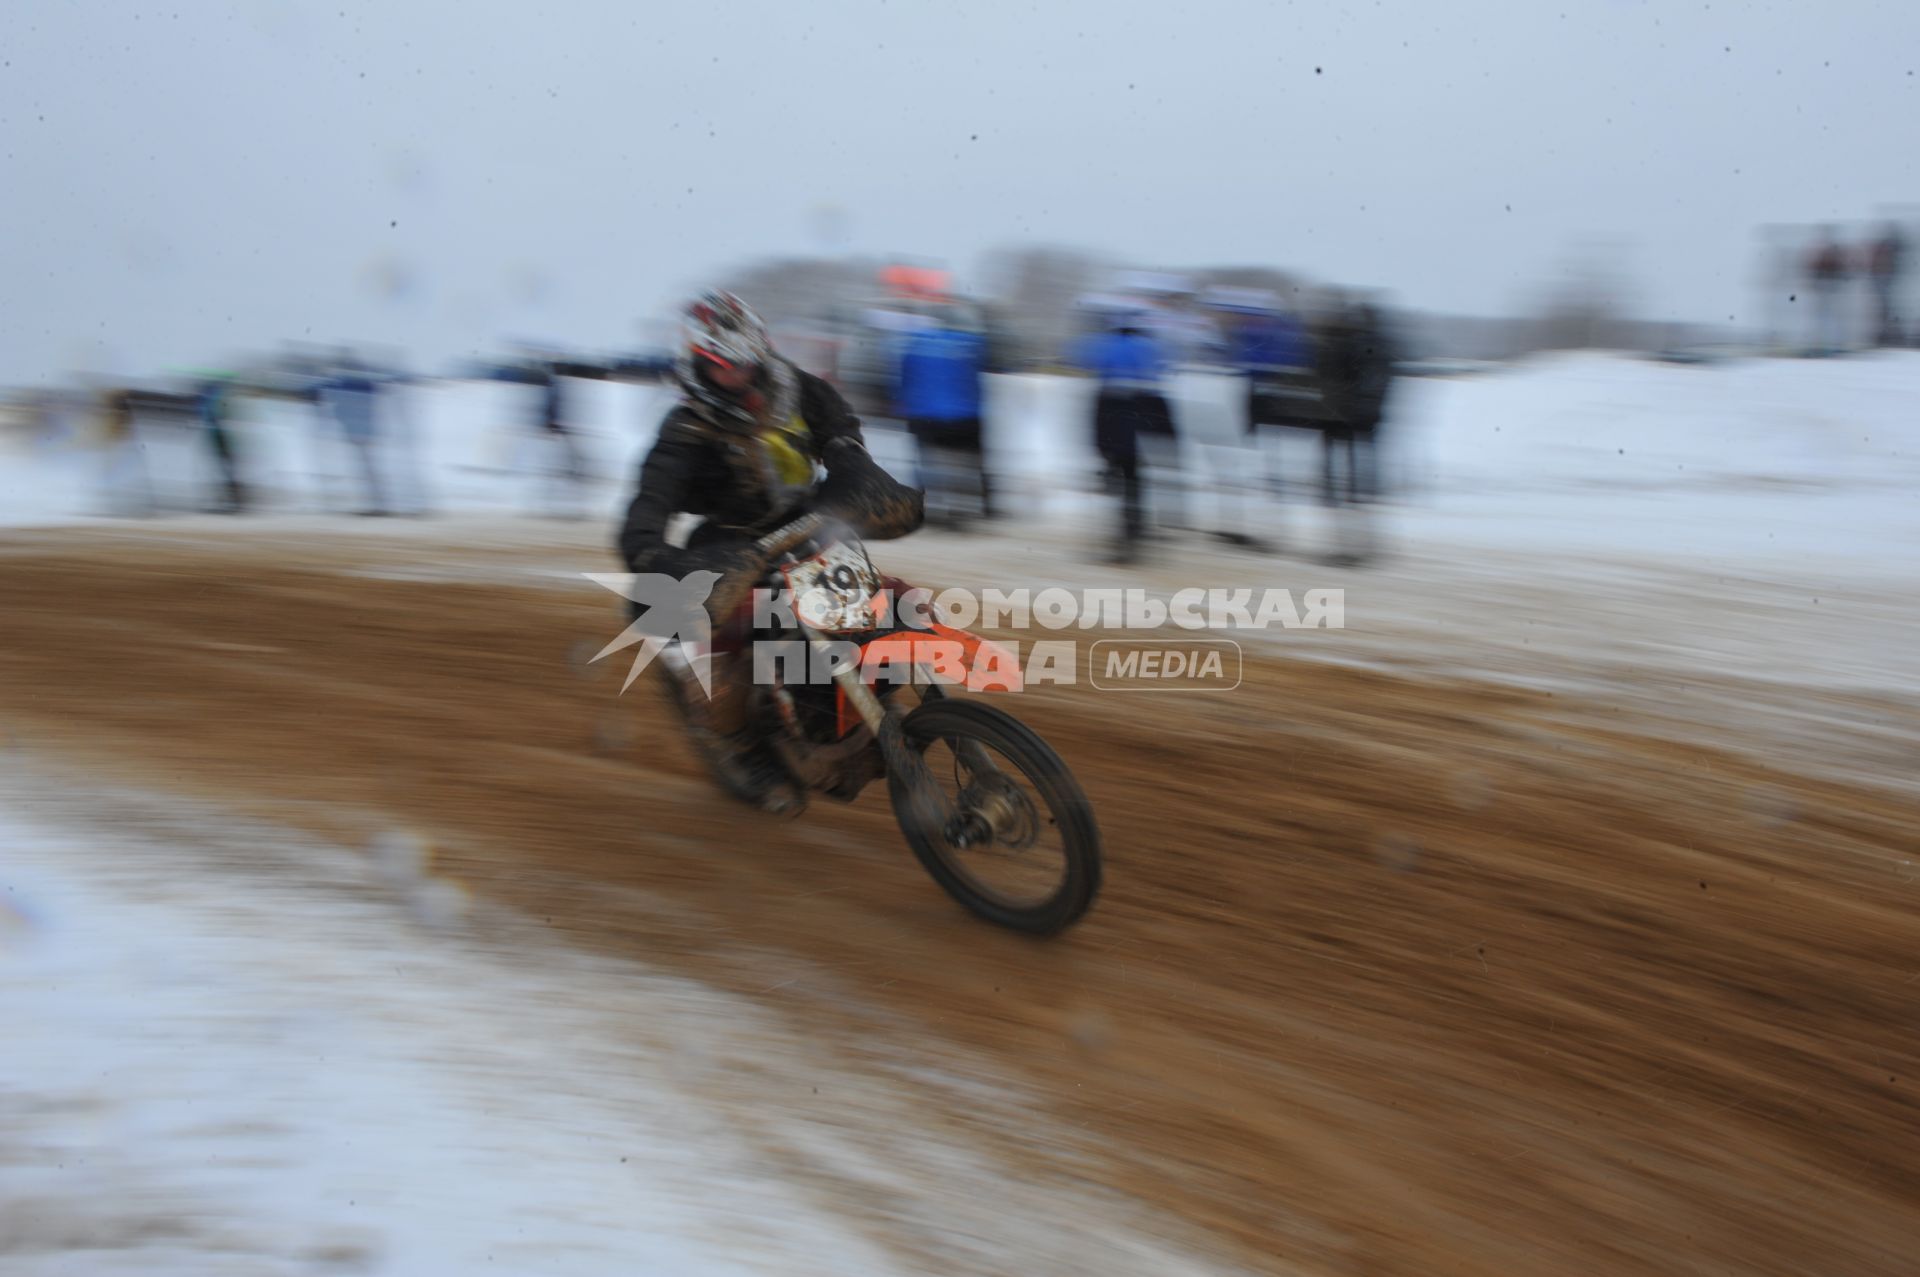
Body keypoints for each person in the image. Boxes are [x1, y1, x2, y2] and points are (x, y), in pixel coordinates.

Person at [616, 291, 922, 815]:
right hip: (733, 545)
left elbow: (842, 437)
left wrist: (856, 472)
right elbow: (646, 512)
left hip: (813, 524)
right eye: (726, 367)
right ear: (699, 366)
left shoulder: (798, 389)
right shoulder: (684, 432)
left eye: (748, 360)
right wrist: (654, 556)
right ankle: (739, 751)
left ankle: (874, 701)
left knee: (899, 608)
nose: (743, 375)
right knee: (717, 663)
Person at [1072, 313, 1175, 564]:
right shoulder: (1151, 346)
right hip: (1143, 410)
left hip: (1111, 408)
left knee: (1117, 467)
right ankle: (1134, 528)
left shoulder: (1105, 344)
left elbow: (1084, 362)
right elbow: (1161, 372)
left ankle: (1122, 527)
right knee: (1134, 475)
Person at [895, 313, 992, 526]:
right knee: (973, 461)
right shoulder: (972, 344)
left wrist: (902, 403)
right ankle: (977, 505)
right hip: (965, 415)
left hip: (924, 414)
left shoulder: (914, 344)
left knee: (924, 459)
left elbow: (902, 378)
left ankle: (921, 506)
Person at [1866, 223, 1907, 348]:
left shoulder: (1890, 251)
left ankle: (1889, 335)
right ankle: (1885, 335)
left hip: (1888, 284)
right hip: (1883, 284)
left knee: (1886, 309)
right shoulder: (1884, 250)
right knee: (1883, 309)